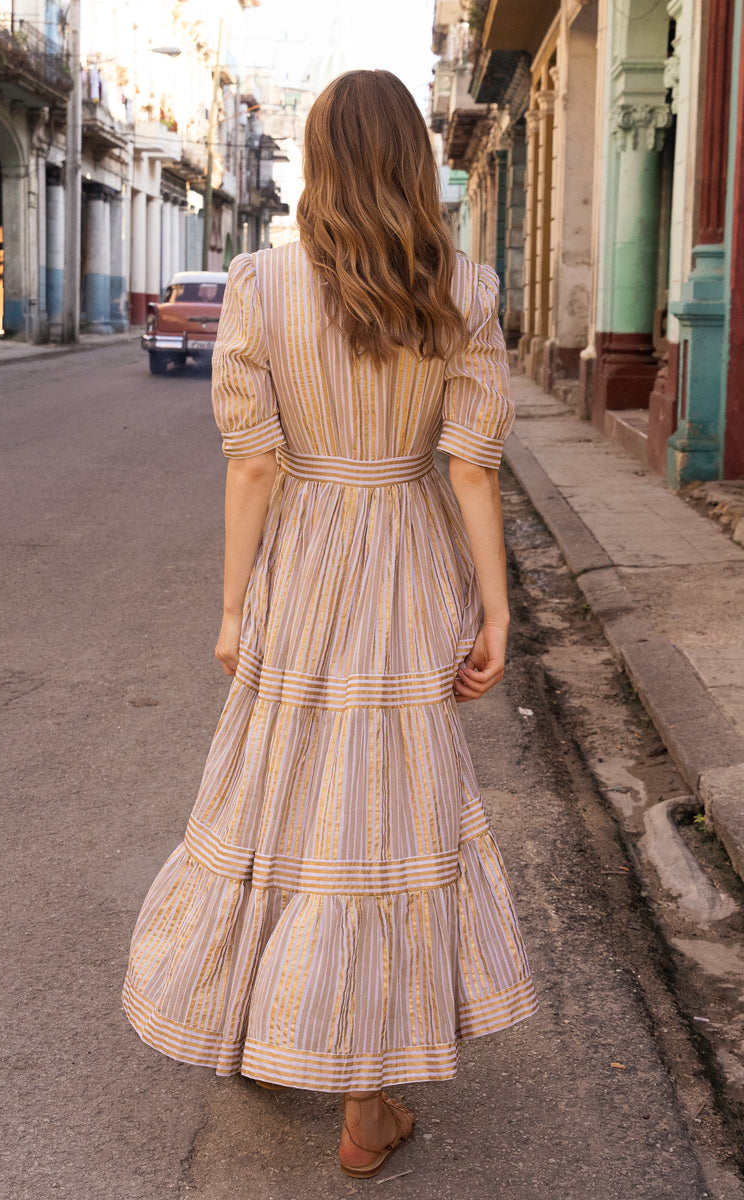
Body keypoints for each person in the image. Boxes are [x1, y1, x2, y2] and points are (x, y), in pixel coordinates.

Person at [123, 68, 537, 1179]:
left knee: (280, 793)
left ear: (317, 159)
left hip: (303, 561)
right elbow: (469, 472)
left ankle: (268, 1028)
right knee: (383, 811)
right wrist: (495, 614)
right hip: (404, 561)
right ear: (411, 159)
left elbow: (253, 463)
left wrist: (230, 607)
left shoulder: (259, 284)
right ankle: (365, 1097)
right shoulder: (463, 289)